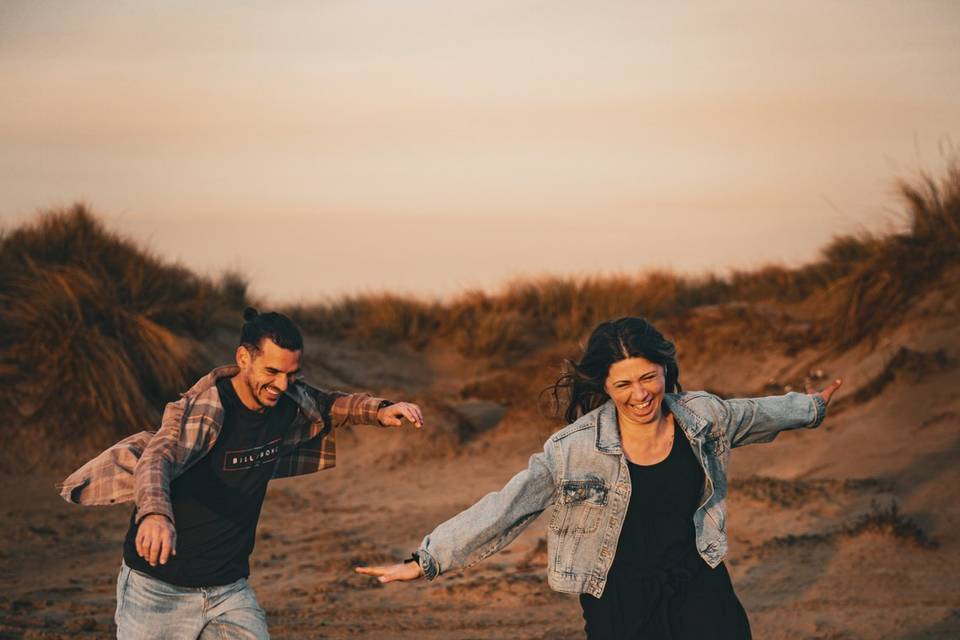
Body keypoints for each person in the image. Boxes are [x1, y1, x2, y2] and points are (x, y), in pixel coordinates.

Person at [356, 316, 841, 639]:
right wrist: (425, 559)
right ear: (604, 385)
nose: (640, 394)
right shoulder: (574, 449)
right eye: (623, 383)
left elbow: (755, 414)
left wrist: (812, 406)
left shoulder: (702, 417)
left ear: (665, 371)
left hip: (699, 584)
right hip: (618, 601)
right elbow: (505, 507)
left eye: (649, 377)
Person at [58, 308, 424, 639]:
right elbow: (157, 458)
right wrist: (154, 513)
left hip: (228, 589)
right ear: (243, 358)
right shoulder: (206, 409)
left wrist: (380, 410)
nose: (281, 385)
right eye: (272, 372)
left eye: (291, 374)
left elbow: (329, 405)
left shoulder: (288, 399)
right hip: (158, 590)